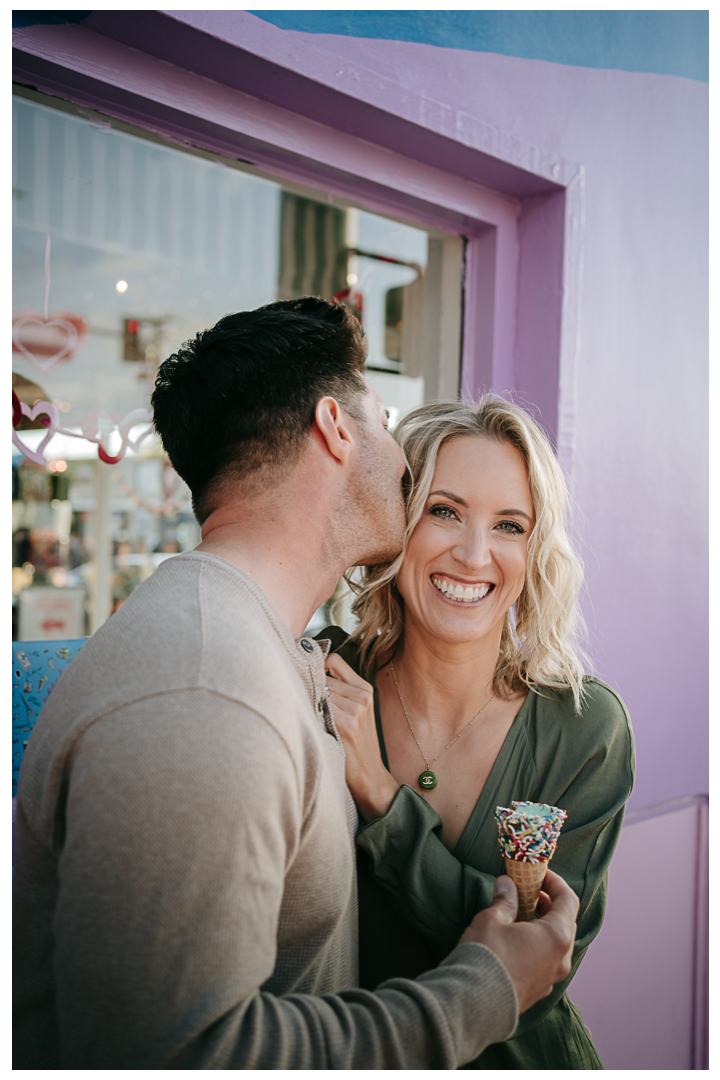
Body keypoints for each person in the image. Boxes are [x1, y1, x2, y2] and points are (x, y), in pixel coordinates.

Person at [13, 299, 580, 1069]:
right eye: (382, 419)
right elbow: (179, 1056)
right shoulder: (205, 691)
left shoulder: (269, 651)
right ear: (336, 427)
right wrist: (481, 991)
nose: (403, 462)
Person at [322, 396, 635, 1070]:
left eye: (510, 525)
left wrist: (381, 795)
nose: (472, 554)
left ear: (535, 548)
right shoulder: (325, 681)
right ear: (398, 519)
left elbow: (541, 969)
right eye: (444, 511)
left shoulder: (583, 730)